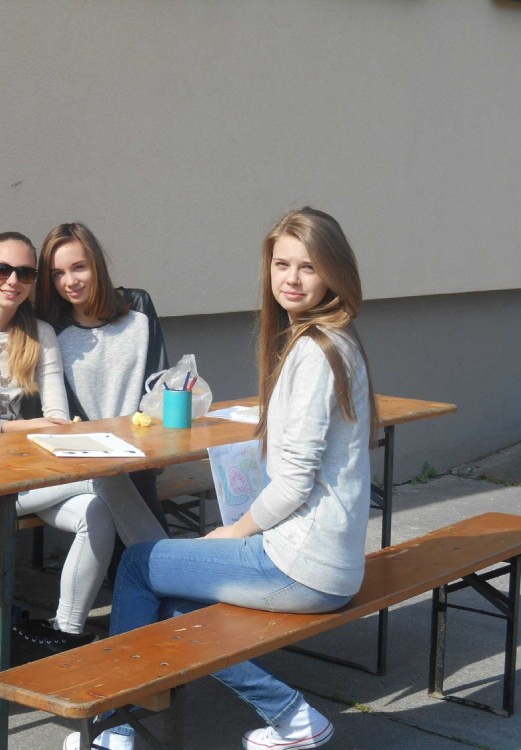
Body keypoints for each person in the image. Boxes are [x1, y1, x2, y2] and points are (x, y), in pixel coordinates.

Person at [66, 207, 377, 750]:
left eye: (308, 266)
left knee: (139, 565)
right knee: (167, 597)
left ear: (334, 272)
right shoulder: (338, 340)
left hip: (302, 563)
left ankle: (115, 729)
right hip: (329, 561)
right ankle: (288, 716)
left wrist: (235, 531)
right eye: (282, 264)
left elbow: (295, 483)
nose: (292, 278)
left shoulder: (316, 351)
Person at [0, 231, 166, 662]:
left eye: (25, 273)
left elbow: (57, 419)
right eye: (2, 269)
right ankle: (170, 573)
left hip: (28, 474)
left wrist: (33, 430)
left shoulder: (38, 333)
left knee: (96, 511)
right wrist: (26, 427)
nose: (12, 280)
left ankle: (65, 632)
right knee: (104, 479)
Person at [34, 222, 171, 575]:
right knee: (115, 489)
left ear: (96, 264)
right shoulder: (51, 328)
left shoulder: (138, 307)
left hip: (141, 448)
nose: (69, 281)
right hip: (86, 455)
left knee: (131, 483)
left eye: (78, 267)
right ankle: (165, 572)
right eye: (57, 274)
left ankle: (150, 577)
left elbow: (159, 383)